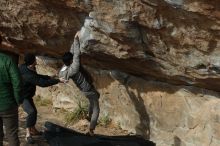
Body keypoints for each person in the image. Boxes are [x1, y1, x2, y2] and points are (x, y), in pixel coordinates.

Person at [59, 31, 100, 136]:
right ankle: (91, 130)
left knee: (95, 98)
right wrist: (76, 39)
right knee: (96, 108)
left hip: (85, 90)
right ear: (71, 60)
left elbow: (72, 52)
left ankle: (89, 116)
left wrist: (74, 40)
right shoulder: (74, 68)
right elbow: (76, 54)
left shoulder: (66, 67)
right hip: (88, 89)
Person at [19, 53, 64, 144]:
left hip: (27, 95)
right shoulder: (28, 75)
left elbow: (37, 76)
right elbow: (42, 83)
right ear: (32, 62)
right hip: (22, 96)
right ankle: (28, 134)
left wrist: (49, 77)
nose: (36, 61)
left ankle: (33, 130)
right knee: (31, 112)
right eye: (35, 60)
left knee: (34, 112)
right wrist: (58, 80)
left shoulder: (25, 67)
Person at [0, 34, 22, 146]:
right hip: (8, 104)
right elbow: (17, 82)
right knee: (12, 134)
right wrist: (18, 100)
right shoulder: (8, 60)